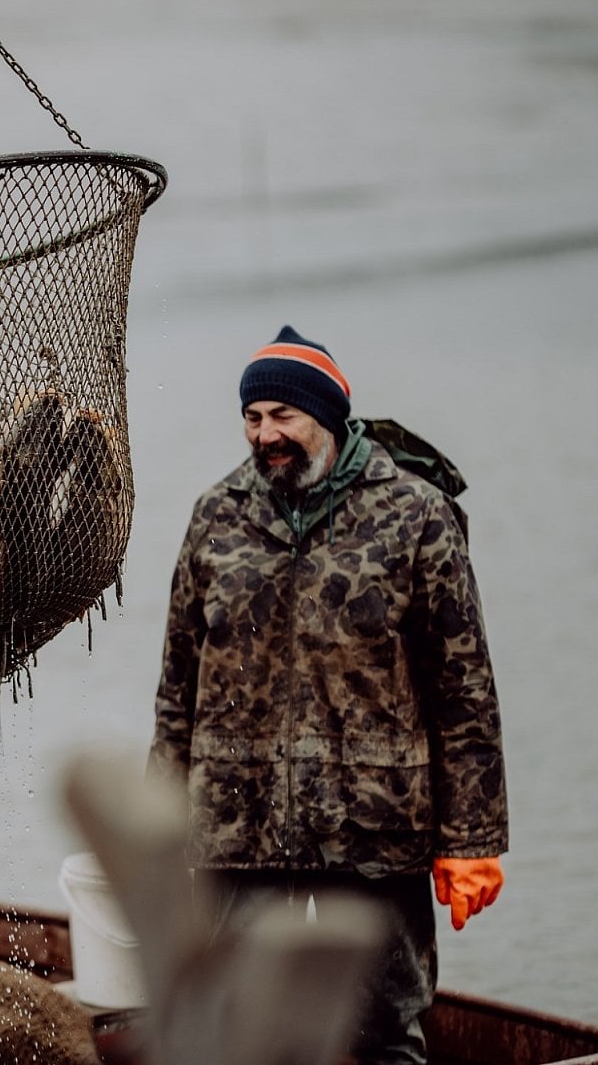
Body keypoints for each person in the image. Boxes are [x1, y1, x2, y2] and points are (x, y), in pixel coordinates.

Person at [149, 325, 508, 1064]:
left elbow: (464, 690)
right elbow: (176, 690)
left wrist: (473, 842)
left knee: (384, 1037)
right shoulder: (215, 516)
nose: (266, 434)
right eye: (253, 417)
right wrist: (158, 826)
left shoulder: (414, 515)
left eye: (284, 415)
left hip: (374, 831)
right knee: (233, 1032)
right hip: (238, 831)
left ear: (328, 415)